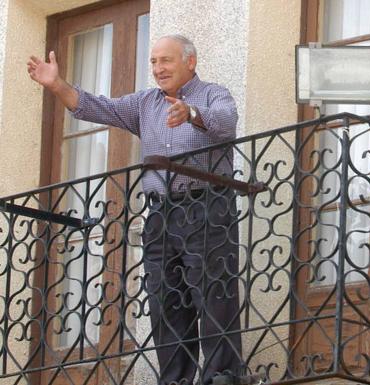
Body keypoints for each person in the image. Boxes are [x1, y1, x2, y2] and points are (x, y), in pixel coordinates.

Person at [27, 35, 242, 385]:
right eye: (154, 62)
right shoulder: (145, 103)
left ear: (190, 61)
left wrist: (191, 114)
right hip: (160, 214)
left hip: (207, 206)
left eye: (165, 61)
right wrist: (57, 85)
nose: (158, 69)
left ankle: (222, 377)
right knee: (165, 299)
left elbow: (226, 123)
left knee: (213, 292)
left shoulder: (213, 93)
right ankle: (175, 379)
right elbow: (96, 107)